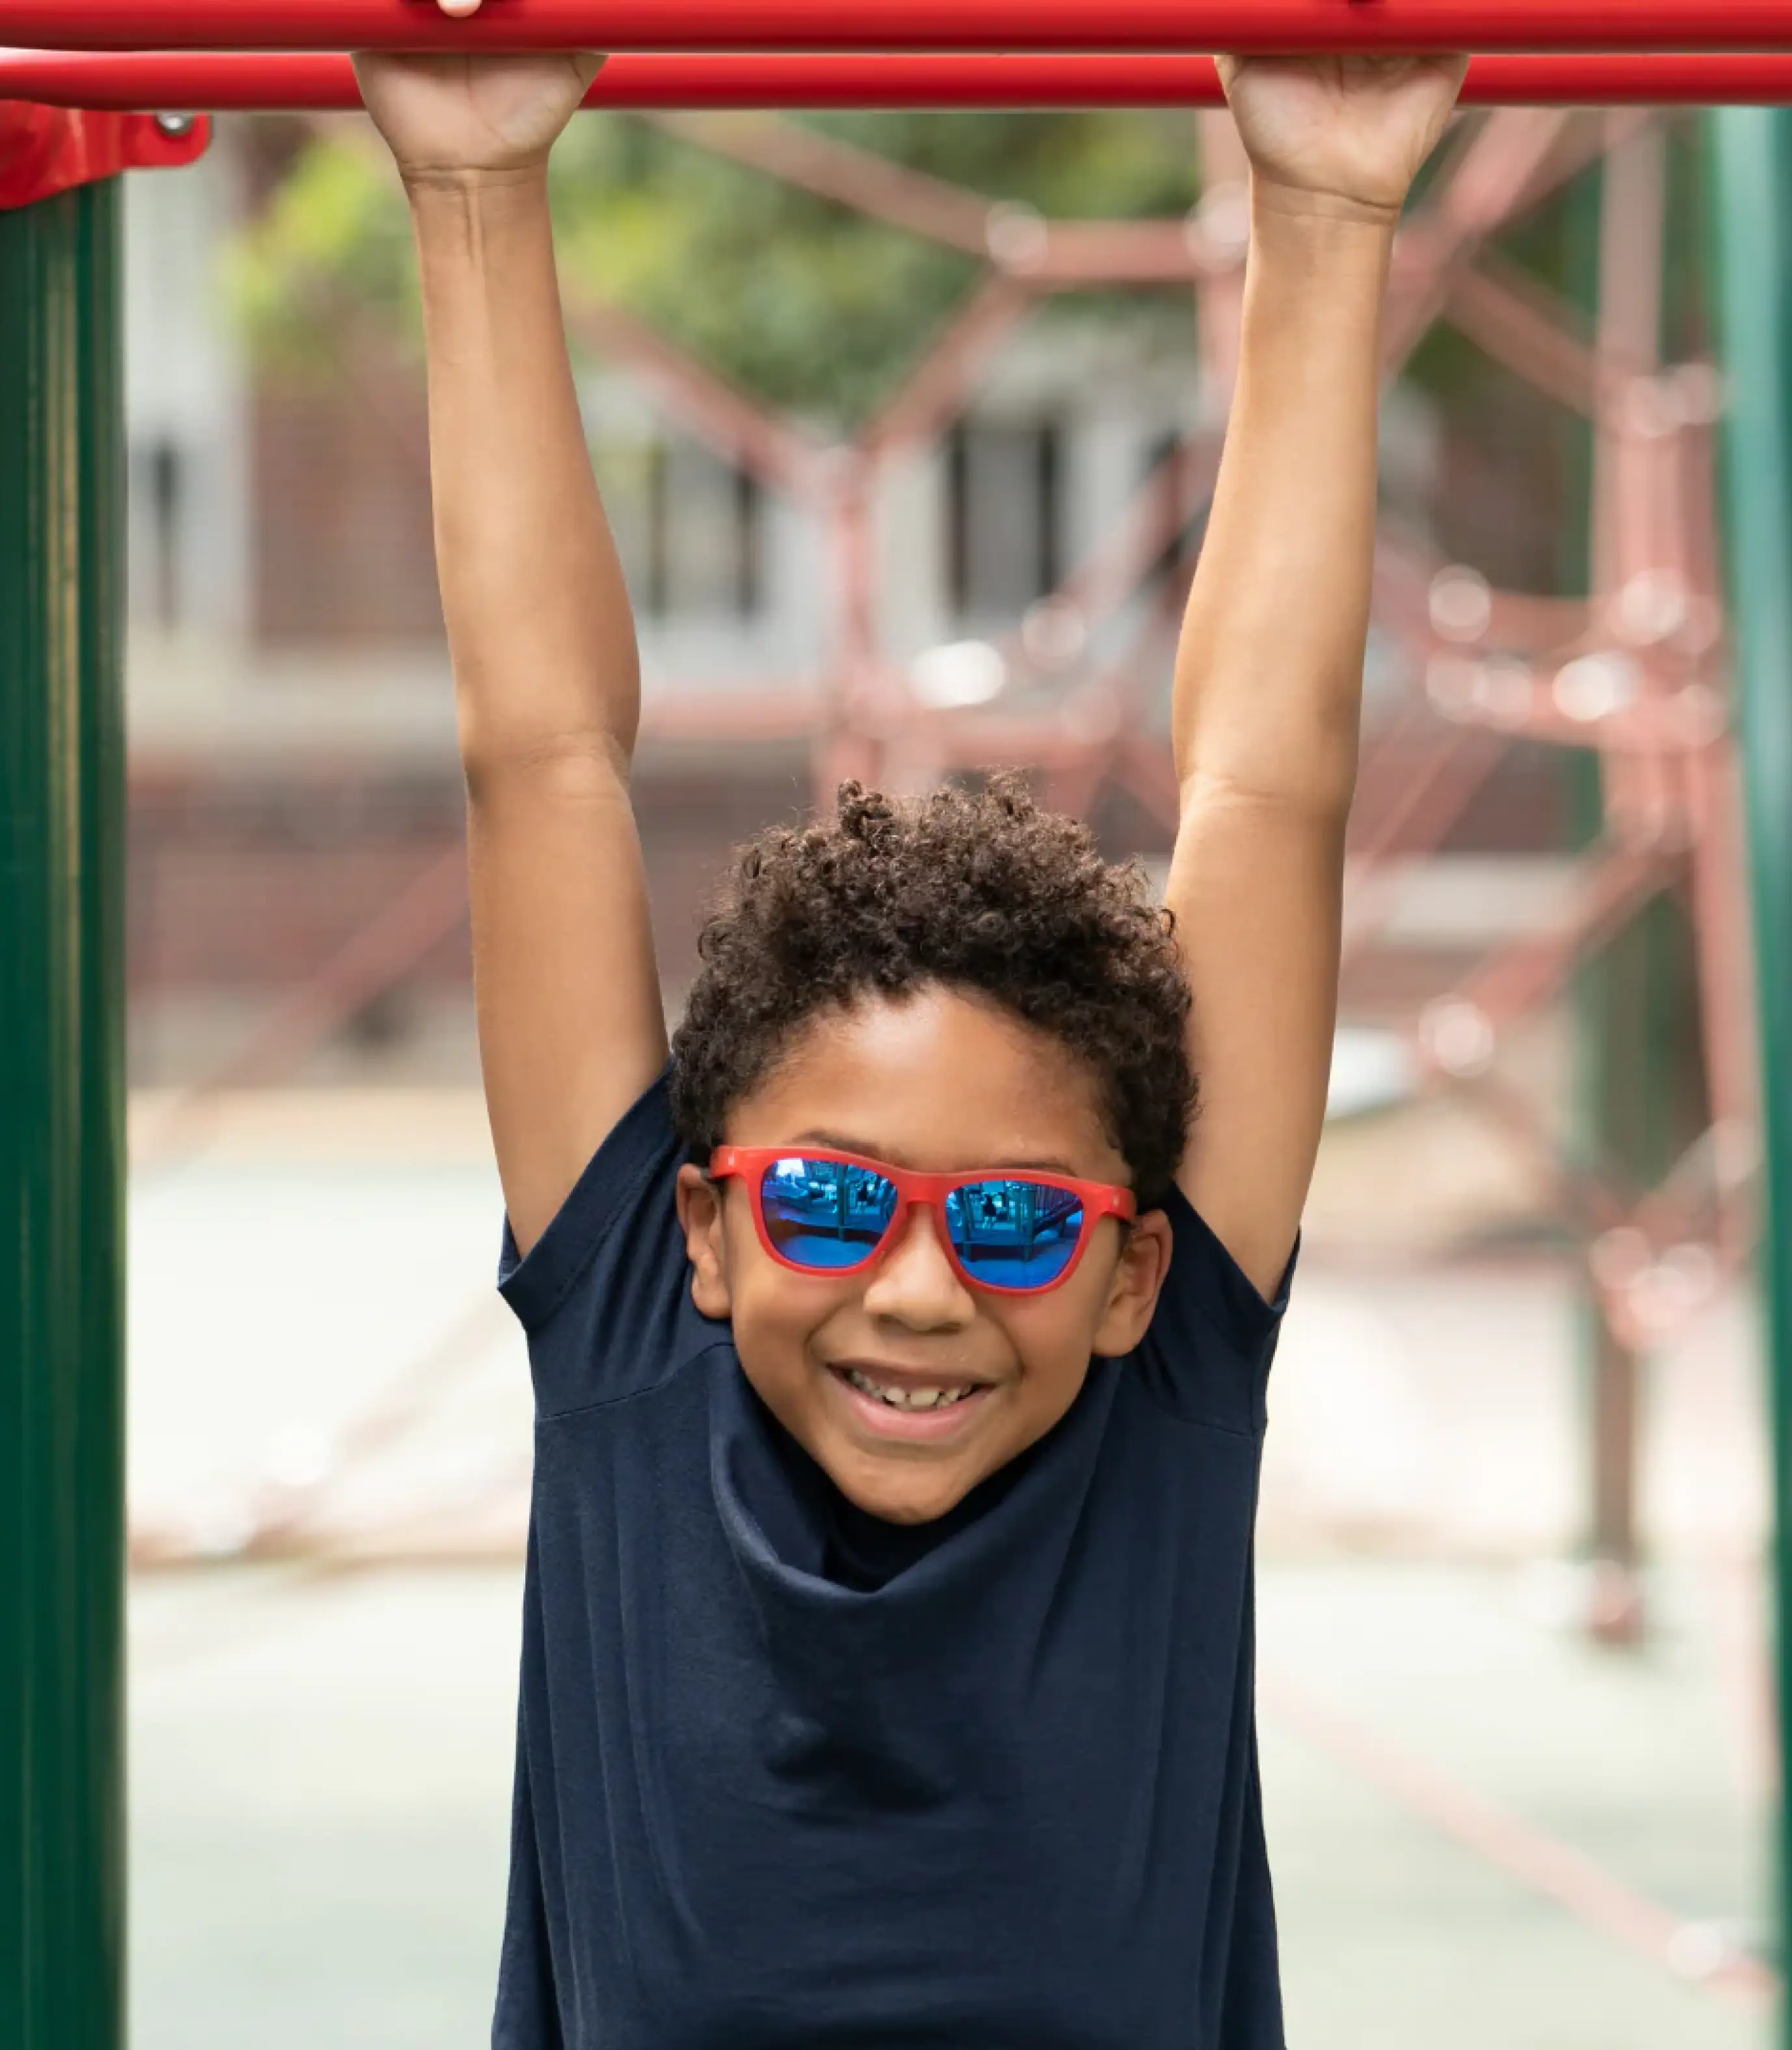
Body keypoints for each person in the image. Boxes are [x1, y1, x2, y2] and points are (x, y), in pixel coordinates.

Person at [355, 20, 1464, 2047]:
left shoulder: (1157, 1408)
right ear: (703, 1230)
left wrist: (1322, 209)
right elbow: (540, 760)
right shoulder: (634, 1349)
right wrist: (472, 183)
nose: (924, 1289)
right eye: (833, 1201)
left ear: (1138, 1267)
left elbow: (1261, 795)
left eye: (1021, 1225)